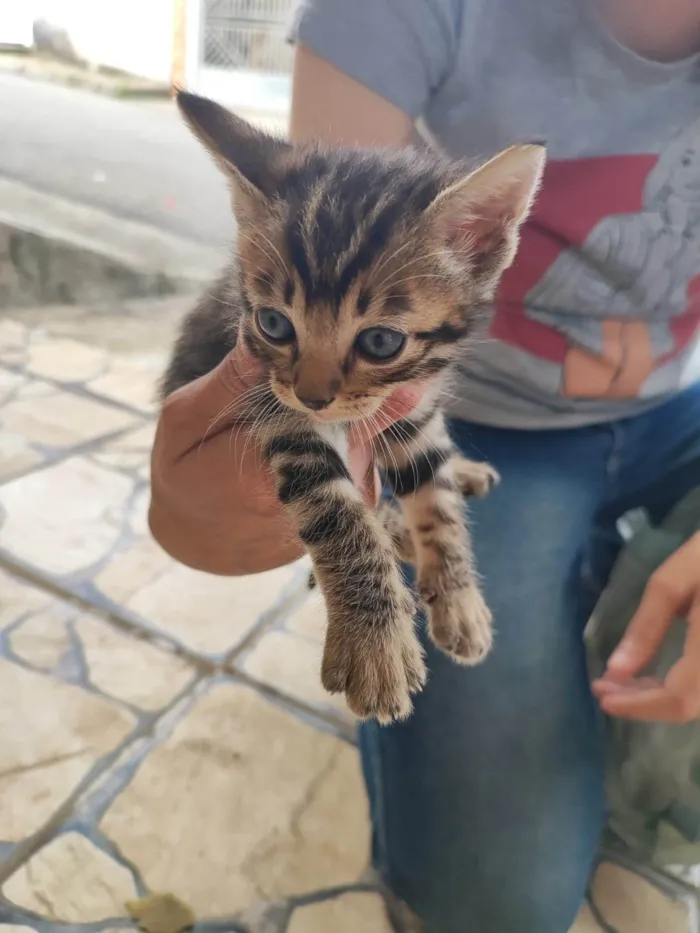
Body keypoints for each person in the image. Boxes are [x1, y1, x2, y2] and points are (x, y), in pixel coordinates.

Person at [150, 2, 700, 930]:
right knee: (496, 905)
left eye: (370, 339)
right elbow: (309, 420)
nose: (316, 384)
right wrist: (339, 567)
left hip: (676, 412)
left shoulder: (438, 266)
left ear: (482, 243)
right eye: (281, 327)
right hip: (497, 427)